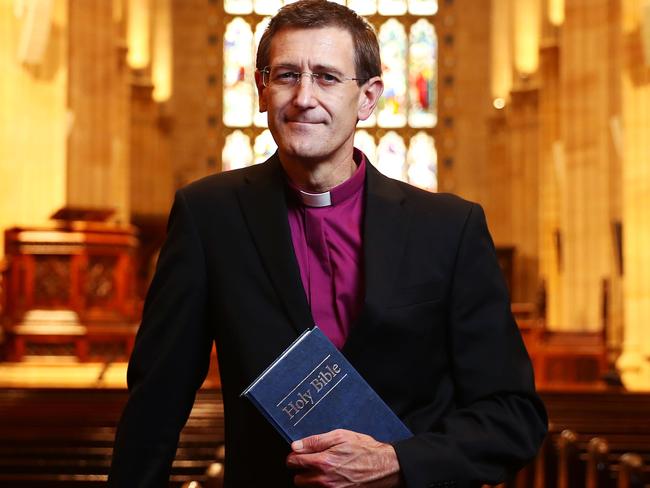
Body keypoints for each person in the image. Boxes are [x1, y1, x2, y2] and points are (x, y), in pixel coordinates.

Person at [109, 1, 547, 486]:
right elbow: (156, 401)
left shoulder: (448, 228)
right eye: (287, 75)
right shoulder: (209, 216)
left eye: (327, 77)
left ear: (368, 98)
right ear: (260, 89)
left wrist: (395, 461)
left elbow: (513, 416)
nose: (303, 97)